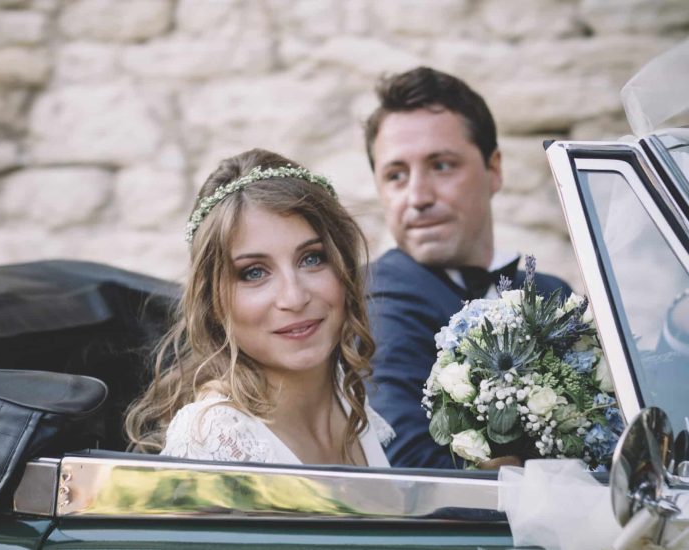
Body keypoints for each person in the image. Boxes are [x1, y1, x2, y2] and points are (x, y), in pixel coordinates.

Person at [125, 148, 394, 466]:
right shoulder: (215, 441)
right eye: (254, 273)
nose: (294, 298)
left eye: (311, 259)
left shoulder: (345, 396)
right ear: (213, 302)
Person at [363, 67, 571, 468]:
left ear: (494, 170)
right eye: (396, 175)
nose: (418, 197)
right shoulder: (377, 298)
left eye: (441, 165)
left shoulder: (552, 294)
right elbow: (408, 467)